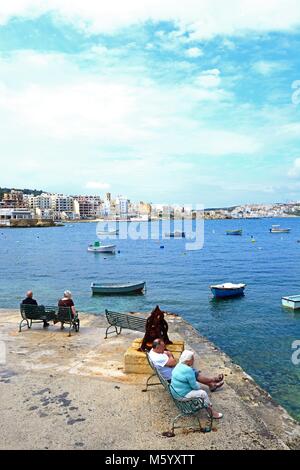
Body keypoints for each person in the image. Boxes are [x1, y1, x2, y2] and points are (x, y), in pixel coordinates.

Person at [149, 338, 224, 391]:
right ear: (158, 347)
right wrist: (170, 355)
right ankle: (213, 381)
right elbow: (173, 362)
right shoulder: (158, 358)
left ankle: (211, 384)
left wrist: (168, 355)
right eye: (163, 347)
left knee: (191, 370)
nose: (165, 348)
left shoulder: (153, 351)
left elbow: (170, 358)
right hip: (172, 377)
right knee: (191, 372)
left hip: (172, 372)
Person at [171, 350, 223, 420]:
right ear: (188, 360)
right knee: (203, 393)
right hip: (181, 395)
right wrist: (198, 385)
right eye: (192, 359)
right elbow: (195, 387)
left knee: (200, 392)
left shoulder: (178, 365)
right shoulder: (188, 370)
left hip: (175, 392)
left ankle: (208, 403)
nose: (194, 360)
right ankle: (212, 413)